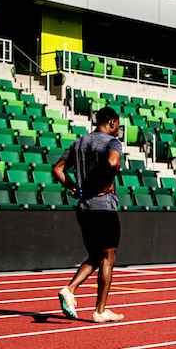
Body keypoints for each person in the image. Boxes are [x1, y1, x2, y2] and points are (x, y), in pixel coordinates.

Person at [53, 107, 127, 323]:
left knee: (96, 256)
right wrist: (99, 185)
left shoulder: (79, 143)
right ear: (112, 122)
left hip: (84, 208)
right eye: (118, 125)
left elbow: (58, 169)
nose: (118, 130)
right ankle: (100, 310)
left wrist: (75, 187)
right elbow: (113, 162)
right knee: (108, 258)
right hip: (104, 207)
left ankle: (70, 290)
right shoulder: (112, 142)